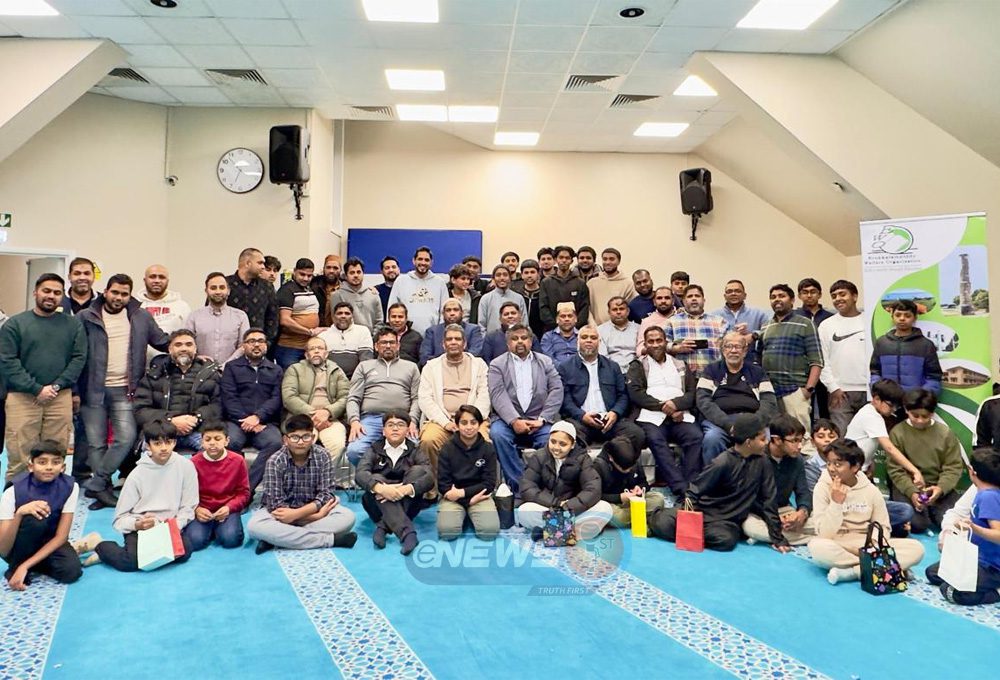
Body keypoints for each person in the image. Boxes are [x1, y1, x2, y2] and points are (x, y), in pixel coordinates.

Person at [78, 274, 169, 508]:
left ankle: (97, 483)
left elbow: (162, 340)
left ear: (130, 296)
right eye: (115, 292)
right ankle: (104, 490)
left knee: (126, 438)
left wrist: (187, 347)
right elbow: (74, 351)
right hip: (92, 390)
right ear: (106, 291)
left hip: (126, 389)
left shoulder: (141, 316)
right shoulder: (86, 316)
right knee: (96, 443)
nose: (119, 297)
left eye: (124, 294)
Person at [649, 414, 792, 553]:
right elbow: (694, 491)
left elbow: (769, 499)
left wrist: (777, 538)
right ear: (749, 442)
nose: (766, 443)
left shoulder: (763, 463)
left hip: (727, 521)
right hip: (703, 512)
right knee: (664, 522)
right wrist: (688, 519)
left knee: (726, 540)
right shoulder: (722, 462)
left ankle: (692, 534)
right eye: (762, 439)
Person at [0, 274, 86, 483]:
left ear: (62, 296)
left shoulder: (73, 325)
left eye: (57, 293)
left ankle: (53, 495)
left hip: (59, 396)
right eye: (46, 291)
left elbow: (79, 358)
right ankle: (17, 496)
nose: (51, 296)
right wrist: (36, 389)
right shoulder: (15, 324)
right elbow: (7, 360)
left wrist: (56, 386)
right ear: (35, 293)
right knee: (20, 453)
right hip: (22, 397)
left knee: (55, 452)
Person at [808, 438, 924, 585]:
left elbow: (883, 526)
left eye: (838, 464)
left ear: (855, 467)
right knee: (817, 548)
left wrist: (873, 546)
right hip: (838, 543)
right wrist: (836, 503)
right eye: (829, 463)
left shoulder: (870, 490)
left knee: (916, 549)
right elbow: (824, 533)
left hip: (867, 544)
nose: (831, 468)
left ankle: (852, 572)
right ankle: (887, 567)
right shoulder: (822, 488)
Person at [92, 420, 198, 572]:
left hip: (169, 526)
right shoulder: (137, 475)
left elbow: (189, 505)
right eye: (157, 443)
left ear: (175, 443)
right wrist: (138, 525)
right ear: (148, 445)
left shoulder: (186, 466)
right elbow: (119, 518)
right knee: (131, 563)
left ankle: (138, 552)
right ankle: (99, 545)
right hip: (141, 527)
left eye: (168, 442)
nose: (164, 448)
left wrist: (174, 526)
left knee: (185, 552)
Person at [247, 414, 358, 553]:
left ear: (313, 438)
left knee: (348, 517)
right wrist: (315, 517)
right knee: (254, 526)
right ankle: (330, 540)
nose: (300, 442)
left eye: (306, 437)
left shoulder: (323, 455)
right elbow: (275, 504)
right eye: (295, 437)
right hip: (283, 514)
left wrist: (297, 514)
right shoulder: (275, 460)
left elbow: (326, 494)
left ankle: (277, 538)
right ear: (285, 440)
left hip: (309, 509)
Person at [627, 326, 703, 499]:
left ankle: (692, 487)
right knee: (655, 439)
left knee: (695, 436)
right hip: (651, 416)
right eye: (651, 341)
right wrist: (664, 407)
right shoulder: (638, 365)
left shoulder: (680, 364)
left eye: (659, 340)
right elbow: (636, 394)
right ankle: (680, 488)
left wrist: (676, 405)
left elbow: (692, 393)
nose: (655, 345)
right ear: (645, 344)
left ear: (665, 342)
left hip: (680, 415)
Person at [487, 323, 564, 491]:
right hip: (507, 421)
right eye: (515, 338)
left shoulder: (545, 361)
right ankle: (521, 486)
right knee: (497, 435)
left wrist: (542, 419)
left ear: (531, 341)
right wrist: (514, 420)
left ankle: (545, 485)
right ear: (508, 343)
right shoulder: (497, 364)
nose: (520, 341)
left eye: (524, 338)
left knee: (551, 438)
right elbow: (497, 394)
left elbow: (557, 389)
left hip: (538, 420)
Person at [0, 441, 84, 590]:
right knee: (36, 518)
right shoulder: (12, 491)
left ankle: (30, 563)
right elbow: (3, 548)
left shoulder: (70, 486)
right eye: (42, 462)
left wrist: (25, 566)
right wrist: (19, 514)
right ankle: (18, 564)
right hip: (18, 546)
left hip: (49, 540)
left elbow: (61, 536)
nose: (49, 467)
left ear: (63, 467)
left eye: (56, 462)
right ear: (30, 466)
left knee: (71, 572)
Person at [926, 448, 1000, 605]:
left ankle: (997, 592)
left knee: (951, 591)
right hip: (976, 559)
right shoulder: (981, 492)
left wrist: (974, 528)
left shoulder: (989, 497)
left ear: (972, 472)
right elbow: (957, 513)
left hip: (992, 567)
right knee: (933, 573)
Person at [516, 421, 613, 539]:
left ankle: (551, 533)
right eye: (553, 442)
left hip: (573, 510)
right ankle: (572, 534)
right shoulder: (539, 457)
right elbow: (527, 487)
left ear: (572, 445)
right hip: (549, 507)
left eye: (562, 444)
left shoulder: (583, 459)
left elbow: (593, 489)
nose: (556, 448)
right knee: (524, 510)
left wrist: (567, 507)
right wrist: (556, 504)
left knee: (605, 509)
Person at [418, 324, 491, 479]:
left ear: (464, 343)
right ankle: (434, 487)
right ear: (443, 344)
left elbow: (484, 395)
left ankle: (477, 486)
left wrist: (469, 421)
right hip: (441, 421)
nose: (453, 342)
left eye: (457, 339)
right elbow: (425, 399)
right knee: (428, 440)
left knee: (484, 441)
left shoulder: (479, 365)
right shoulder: (431, 367)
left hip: (473, 420)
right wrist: (446, 423)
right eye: (449, 339)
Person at [696, 331, 778, 464]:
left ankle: (760, 476)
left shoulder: (757, 372)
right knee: (712, 439)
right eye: (729, 346)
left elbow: (769, 402)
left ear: (745, 351)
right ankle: (715, 476)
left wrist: (754, 423)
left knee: (766, 440)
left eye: (738, 347)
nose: (733, 350)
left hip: (753, 420)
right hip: (720, 422)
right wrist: (727, 425)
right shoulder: (711, 370)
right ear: (723, 350)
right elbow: (703, 401)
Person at [356, 411, 433, 554]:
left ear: (408, 430)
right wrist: (381, 489)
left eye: (400, 425)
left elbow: (429, 478)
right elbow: (360, 474)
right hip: (376, 507)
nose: (395, 428)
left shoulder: (416, 450)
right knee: (376, 477)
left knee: (418, 471)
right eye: (390, 425)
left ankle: (383, 527)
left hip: (408, 504)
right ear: (383, 431)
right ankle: (408, 533)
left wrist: (404, 489)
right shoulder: (373, 449)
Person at [888, 388, 964, 533]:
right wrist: (912, 492)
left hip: (939, 487)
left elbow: (953, 467)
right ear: (906, 410)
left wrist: (940, 489)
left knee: (952, 523)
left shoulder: (945, 433)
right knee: (917, 525)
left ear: (932, 413)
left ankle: (932, 510)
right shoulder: (898, 432)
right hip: (908, 487)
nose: (920, 420)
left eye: (925, 416)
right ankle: (925, 513)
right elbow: (896, 470)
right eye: (915, 415)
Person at [133, 329, 222, 453]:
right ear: (170, 349)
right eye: (178, 345)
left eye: (188, 344)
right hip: (161, 431)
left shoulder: (210, 374)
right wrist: (170, 420)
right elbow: (140, 410)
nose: (184, 348)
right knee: (152, 455)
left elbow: (218, 406)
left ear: (195, 349)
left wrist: (197, 418)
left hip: (198, 431)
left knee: (214, 451)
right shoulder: (154, 374)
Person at [558, 325, 644, 450]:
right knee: (568, 436)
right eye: (584, 337)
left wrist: (615, 413)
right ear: (577, 341)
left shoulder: (613, 367)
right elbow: (565, 400)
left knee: (637, 434)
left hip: (609, 421)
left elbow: (623, 395)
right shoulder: (565, 367)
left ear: (599, 342)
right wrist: (582, 416)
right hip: (580, 421)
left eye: (593, 338)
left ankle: (610, 455)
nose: (589, 340)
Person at [757, 283, 822, 449]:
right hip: (771, 393)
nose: (777, 299)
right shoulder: (766, 326)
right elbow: (759, 357)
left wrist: (808, 390)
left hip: (795, 391)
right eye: (773, 297)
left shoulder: (805, 324)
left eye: (782, 296)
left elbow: (817, 361)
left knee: (800, 441)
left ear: (792, 300)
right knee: (775, 441)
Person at [220, 328, 284, 495]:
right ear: (243, 346)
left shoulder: (276, 370)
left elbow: (276, 398)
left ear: (266, 345)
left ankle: (246, 489)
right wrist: (246, 420)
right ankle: (233, 486)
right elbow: (229, 398)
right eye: (251, 341)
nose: (256, 345)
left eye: (260, 341)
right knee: (230, 442)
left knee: (275, 442)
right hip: (236, 422)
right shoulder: (231, 367)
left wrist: (258, 417)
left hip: (264, 422)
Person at [345, 327, 421, 465]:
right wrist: (354, 421)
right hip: (371, 419)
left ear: (398, 345)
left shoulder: (411, 367)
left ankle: (396, 476)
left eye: (392, 342)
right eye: (384, 342)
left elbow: (416, 398)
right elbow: (353, 398)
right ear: (376, 346)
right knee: (354, 451)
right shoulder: (364, 366)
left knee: (414, 448)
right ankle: (371, 475)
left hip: (402, 420)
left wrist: (413, 421)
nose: (388, 346)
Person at [281, 337, 350, 485]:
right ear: (306, 355)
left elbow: (345, 397)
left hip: (330, 419)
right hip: (301, 419)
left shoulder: (337, 371)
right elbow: (289, 397)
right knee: (301, 444)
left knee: (337, 445)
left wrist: (328, 412)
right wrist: (313, 414)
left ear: (326, 353)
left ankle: (328, 483)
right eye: (312, 349)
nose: (316, 351)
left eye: (320, 348)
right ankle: (301, 483)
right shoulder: (294, 369)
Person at [742, 415, 815, 545]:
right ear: (777, 440)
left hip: (784, 510)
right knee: (750, 528)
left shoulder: (797, 460)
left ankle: (782, 535)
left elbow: (803, 491)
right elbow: (749, 498)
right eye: (794, 441)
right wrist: (774, 518)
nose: (799, 446)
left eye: (801, 440)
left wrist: (802, 513)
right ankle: (813, 539)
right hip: (758, 513)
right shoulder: (756, 458)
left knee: (819, 521)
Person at [436, 406, 500, 541]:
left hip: (479, 496)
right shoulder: (447, 449)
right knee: (447, 532)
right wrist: (467, 501)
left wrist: (463, 494)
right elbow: (443, 485)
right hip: (453, 497)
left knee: (489, 532)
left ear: (479, 424)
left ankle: (468, 513)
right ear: (457, 425)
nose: (469, 427)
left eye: (473, 422)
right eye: (464, 423)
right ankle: (463, 514)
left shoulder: (488, 448)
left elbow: (489, 484)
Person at [186, 421, 250, 551]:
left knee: (231, 539)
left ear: (226, 441)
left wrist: (229, 508)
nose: (212, 443)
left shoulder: (238, 460)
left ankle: (217, 530)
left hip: (226, 508)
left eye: (217, 439)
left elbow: (243, 493)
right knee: (194, 542)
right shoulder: (193, 462)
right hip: (203, 509)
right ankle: (213, 530)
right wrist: (197, 509)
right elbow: (186, 493)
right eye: (207, 439)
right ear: (202, 442)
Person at [818, 279, 868, 434]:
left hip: (869, 391)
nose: (838, 299)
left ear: (855, 296)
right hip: (840, 393)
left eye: (842, 294)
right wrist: (833, 388)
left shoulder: (869, 321)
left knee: (868, 438)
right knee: (841, 439)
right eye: (834, 296)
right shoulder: (826, 325)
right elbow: (822, 360)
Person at [870, 299, 942, 395]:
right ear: (892, 316)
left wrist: (920, 397)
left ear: (915, 318)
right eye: (898, 315)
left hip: (915, 402)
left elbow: (934, 376)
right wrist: (878, 391)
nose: (902, 318)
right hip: (887, 400)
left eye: (907, 315)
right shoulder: (882, 343)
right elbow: (875, 371)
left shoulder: (926, 345)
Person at [592, 437, 665, 528]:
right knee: (617, 517)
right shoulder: (598, 466)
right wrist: (619, 498)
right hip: (612, 503)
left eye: (630, 468)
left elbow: (644, 483)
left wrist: (640, 488)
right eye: (623, 469)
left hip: (632, 500)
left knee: (658, 498)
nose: (628, 471)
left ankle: (633, 517)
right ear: (611, 458)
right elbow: (594, 496)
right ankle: (641, 516)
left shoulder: (633, 459)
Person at [185, 272, 249, 366]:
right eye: (213, 288)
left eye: (222, 287)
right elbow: (186, 344)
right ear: (206, 291)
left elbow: (244, 346)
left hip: (232, 370)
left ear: (228, 291)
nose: (218, 292)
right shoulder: (194, 317)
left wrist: (226, 365)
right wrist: (197, 358)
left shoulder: (240, 316)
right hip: (201, 370)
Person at [664, 284, 728, 377]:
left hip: (713, 376)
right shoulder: (672, 321)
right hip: (684, 376)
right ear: (684, 301)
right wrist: (676, 348)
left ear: (703, 300)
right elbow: (662, 345)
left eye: (697, 296)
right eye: (690, 296)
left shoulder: (719, 321)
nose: (694, 299)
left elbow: (729, 347)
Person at [274, 258, 324, 370]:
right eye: (302, 274)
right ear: (295, 271)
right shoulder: (287, 290)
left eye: (309, 275)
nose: (306, 278)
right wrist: (309, 331)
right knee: (291, 377)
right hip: (290, 347)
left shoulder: (309, 288)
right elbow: (285, 320)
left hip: (308, 346)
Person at [386, 246, 448, 335]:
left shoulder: (440, 282)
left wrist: (440, 333)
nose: (423, 262)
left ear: (431, 263)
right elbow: (391, 309)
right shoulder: (401, 281)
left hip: (433, 335)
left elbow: (444, 310)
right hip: (406, 335)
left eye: (426, 260)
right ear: (414, 261)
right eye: (420, 259)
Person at [225, 247, 279, 346]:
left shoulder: (267, 286)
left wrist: (267, 343)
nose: (263, 267)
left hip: (258, 346)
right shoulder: (225, 284)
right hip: (229, 344)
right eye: (260, 263)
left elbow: (273, 318)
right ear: (247, 263)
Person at [710, 279, 767, 362]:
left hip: (751, 362)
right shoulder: (714, 316)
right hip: (722, 363)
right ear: (725, 296)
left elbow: (769, 331)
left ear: (745, 295)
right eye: (729, 291)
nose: (733, 293)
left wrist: (753, 335)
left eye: (737, 291)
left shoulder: (758, 314)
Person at [316, 301, 374, 379]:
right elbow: (319, 363)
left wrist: (358, 379)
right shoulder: (323, 335)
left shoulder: (362, 331)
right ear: (333, 316)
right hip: (330, 378)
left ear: (352, 316)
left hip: (357, 378)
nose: (343, 316)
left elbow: (366, 360)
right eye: (339, 313)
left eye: (347, 313)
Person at [539, 245, 589, 331]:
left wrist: (574, 326)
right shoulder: (546, 282)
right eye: (561, 257)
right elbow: (543, 308)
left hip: (575, 331)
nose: (564, 260)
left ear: (571, 261)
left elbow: (584, 307)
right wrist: (557, 326)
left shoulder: (580, 283)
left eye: (567, 258)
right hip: (552, 330)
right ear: (555, 260)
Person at [420, 298, 484, 366]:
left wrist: (456, 362)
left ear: (462, 313)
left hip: (466, 368)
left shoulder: (473, 330)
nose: (452, 313)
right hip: (438, 370)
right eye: (448, 310)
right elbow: (425, 357)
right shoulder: (432, 331)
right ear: (443, 314)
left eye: (456, 310)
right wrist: (447, 364)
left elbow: (475, 354)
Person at [329, 257, 383, 331]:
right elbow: (336, 321)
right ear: (345, 276)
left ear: (363, 274)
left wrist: (372, 336)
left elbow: (379, 321)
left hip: (371, 337)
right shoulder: (337, 295)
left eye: (358, 272)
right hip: (347, 337)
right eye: (352, 273)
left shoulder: (373, 294)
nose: (356, 275)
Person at [138, 264, 191, 339]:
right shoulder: (134, 305)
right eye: (152, 277)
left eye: (162, 277)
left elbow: (188, 336)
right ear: (145, 280)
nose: (157, 281)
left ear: (167, 281)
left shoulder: (182, 306)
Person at [587, 248, 635, 326]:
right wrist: (593, 326)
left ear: (619, 261)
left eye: (612, 259)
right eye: (605, 259)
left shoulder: (628, 284)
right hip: (596, 329)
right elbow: (586, 308)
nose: (608, 262)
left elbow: (630, 308)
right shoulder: (591, 283)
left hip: (619, 328)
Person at [478, 264, 528, 335]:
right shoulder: (485, 299)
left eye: (505, 275)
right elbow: (481, 326)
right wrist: (487, 340)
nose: (502, 278)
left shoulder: (519, 298)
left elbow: (524, 323)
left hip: (516, 339)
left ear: (510, 278)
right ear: (493, 279)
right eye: (498, 275)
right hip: (492, 340)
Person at [598, 296, 639, 373]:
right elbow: (603, 357)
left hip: (635, 371)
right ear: (609, 312)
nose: (618, 312)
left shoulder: (638, 329)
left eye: (621, 309)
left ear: (628, 311)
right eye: (614, 309)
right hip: (611, 371)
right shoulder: (600, 331)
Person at [511, 259, 545, 340]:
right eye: (526, 273)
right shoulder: (516, 295)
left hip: (542, 336)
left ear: (538, 274)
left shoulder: (544, 294)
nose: (529, 275)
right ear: (522, 275)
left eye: (532, 272)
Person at [636, 286, 675, 357]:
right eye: (659, 298)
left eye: (667, 298)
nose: (663, 301)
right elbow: (639, 350)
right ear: (654, 302)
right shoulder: (646, 321)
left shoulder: (682, 317)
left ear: (673, 301)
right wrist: (654, 348)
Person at [540, 303, 579, 367]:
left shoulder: (583, 336)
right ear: (557, 320)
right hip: (555, 371)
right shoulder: (548, 337)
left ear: (576, 319)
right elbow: (548, 359)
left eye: (570, 316)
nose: (566, 319)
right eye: (563, 316)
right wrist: (563, 369)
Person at [310, 254, 342, 326]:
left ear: (340, 270)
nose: (331, 271)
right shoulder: (313, 285)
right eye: (328, 267)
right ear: (323, 269)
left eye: (335, 268)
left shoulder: (345, 287)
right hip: (319, 328)